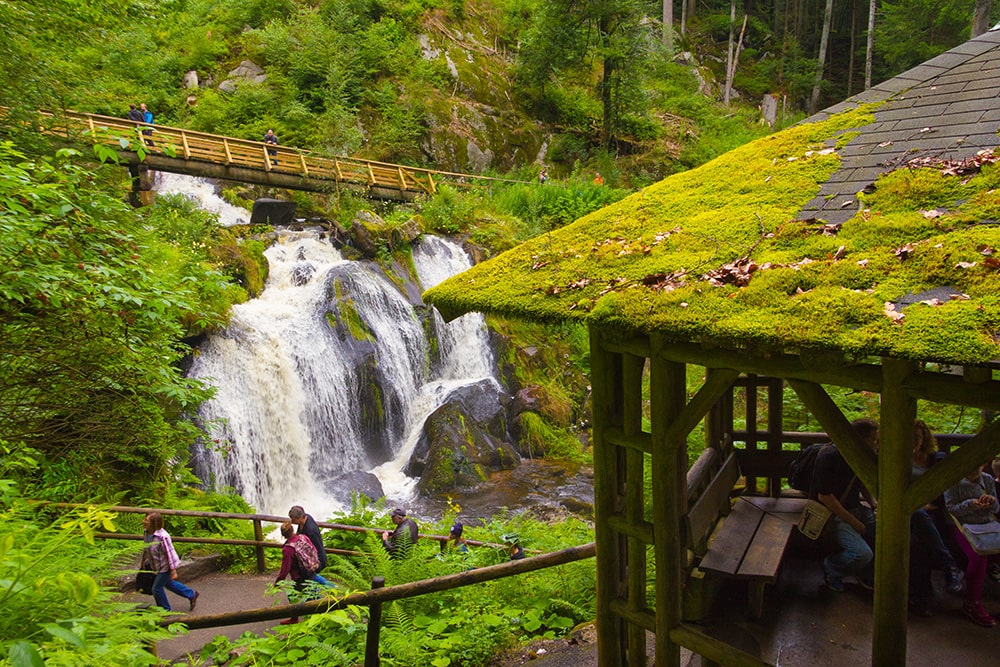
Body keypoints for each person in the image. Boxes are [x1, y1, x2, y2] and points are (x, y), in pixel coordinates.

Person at [814, 418, 879, 592]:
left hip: (855, 508)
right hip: (834, 513)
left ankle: (865, 573)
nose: (876, 444)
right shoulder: (830, 456)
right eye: (874, 439)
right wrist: (854, 522)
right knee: (861, 554)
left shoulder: (857, 455)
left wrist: (873, 503)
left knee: (884, 536)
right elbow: (825, 497)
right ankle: (832, 568)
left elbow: (859, 481)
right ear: (860, 439)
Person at [908, 420, 964, 616]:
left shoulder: (936, 459)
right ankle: (948, 565)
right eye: (908, 437)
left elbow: (944, 491)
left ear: (924, 438)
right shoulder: (897, 458)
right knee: (916, 529)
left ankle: (922, 599)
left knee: (917, 545)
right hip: (909, 514)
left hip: (933, 516)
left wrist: (930, 504)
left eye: (916, 437)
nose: (913, 442)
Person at [945, 462, 1000, 627]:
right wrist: (971, 504)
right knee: (978, 557)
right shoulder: (953, 481)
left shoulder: (988, 480)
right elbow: (951, 508)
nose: (975, 468)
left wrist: (990, 501)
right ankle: (973, 602)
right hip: (966, 527)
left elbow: (996, 508)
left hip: (989, 525)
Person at [142, 512, 199, 612]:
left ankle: (165, 609)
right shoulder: (147, 533)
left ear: (154, 523)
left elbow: (170, 553)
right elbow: (145, 548)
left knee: (156, 588)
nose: (143, 521)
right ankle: (191, 594)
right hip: (156, 565)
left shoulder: (162, 537)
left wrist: (173, 570)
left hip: (165, 566)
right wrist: (143, 560)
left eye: (146, 520)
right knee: (168, 584)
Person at [274, 521, 322, 625]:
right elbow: (313, 549)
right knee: (314, 595)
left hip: (300, 576)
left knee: (293, 596)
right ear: (292, 529)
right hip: (311, 569)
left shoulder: (288, 549)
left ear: (283, 535)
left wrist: (278, 582)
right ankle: (321, 618)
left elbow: (285, 569)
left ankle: (296, 619)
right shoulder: (303, 537)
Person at [288, 505, 332, 586]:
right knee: (311, 578)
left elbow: (317, 547)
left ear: (299, 518)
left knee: (311, 579)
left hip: (315, 560)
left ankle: (330, 588)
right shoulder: (306, 518)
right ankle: (330, 587)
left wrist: (316, 563)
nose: (291, 521)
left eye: (292, 519)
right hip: (308, 559)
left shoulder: (310, 531)